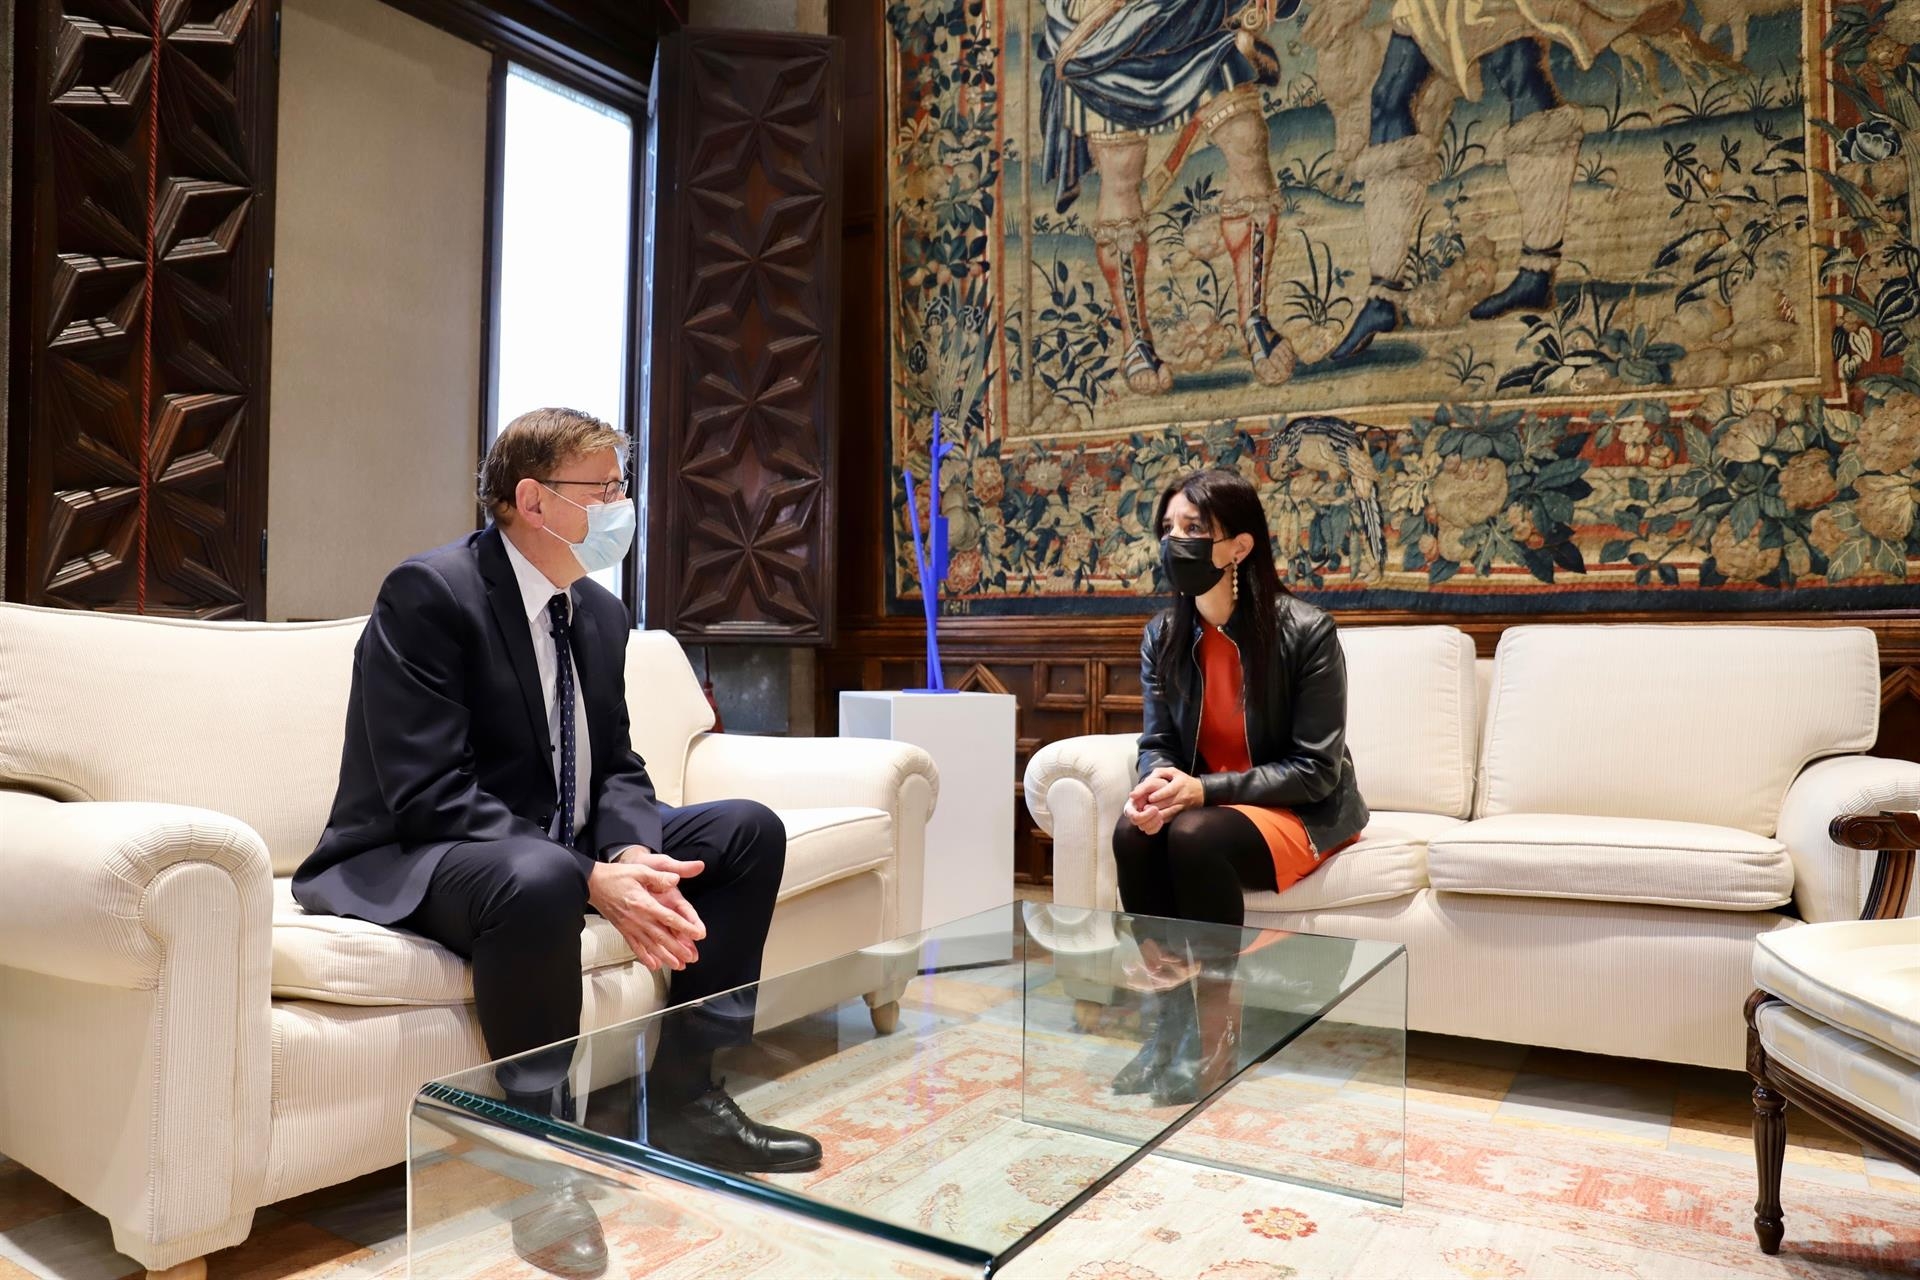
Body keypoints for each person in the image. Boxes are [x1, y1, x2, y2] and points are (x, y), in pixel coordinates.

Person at [293, 408, 818, 1277]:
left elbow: (616, 763)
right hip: (420, 847)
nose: (623, 504)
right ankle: (541, 1159)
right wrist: (586, 877)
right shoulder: (429, 594)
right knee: (538, 876)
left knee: (745, 829)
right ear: (532, 499)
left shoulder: (600, 615)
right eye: (604, 487)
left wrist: (630, 853)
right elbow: (427, 792)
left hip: (548, 842)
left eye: (621, 485)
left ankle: (692, 1093)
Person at [1110, 467, 1369, 1104]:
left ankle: (1216, 1040)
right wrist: (1153, 787)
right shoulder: (1163, 636)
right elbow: (1158, 745)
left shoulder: (1307, 632)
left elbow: (1315, 769)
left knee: (1194, 834)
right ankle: (1164, 1030)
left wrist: (1199, 792)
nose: (1176, 543)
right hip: (1216, 805)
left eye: (1195, 530)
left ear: (1239, 548)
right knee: (1133, 833)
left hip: (1299, 809)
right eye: (1168, 529)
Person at [1036, 0, 1300, 392]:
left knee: (1246, 137)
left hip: (1196, 17)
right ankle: (1135, 342)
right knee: (1121, 168)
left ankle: (1255, 319)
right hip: (1106, 31)